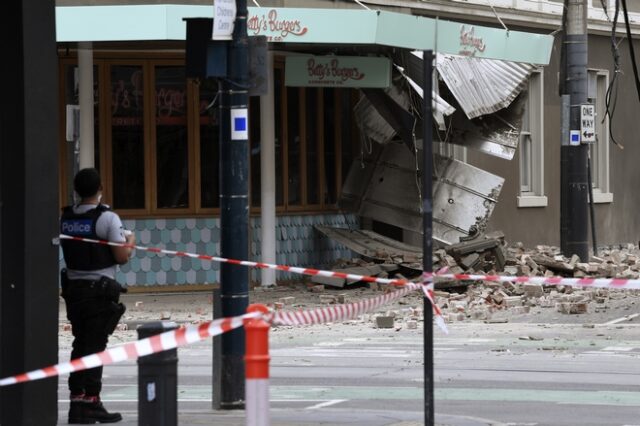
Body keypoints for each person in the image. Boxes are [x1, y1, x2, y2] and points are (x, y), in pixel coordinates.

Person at [60, 168, 135, 424]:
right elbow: (121, 256)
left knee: (80, 344)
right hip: (98, 292)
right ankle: (92, 401)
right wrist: (131, 241)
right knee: (95, 347)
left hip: (73, 291)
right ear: (100, 187)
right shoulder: (108, 219)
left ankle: (77, 401)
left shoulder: (66, 217)